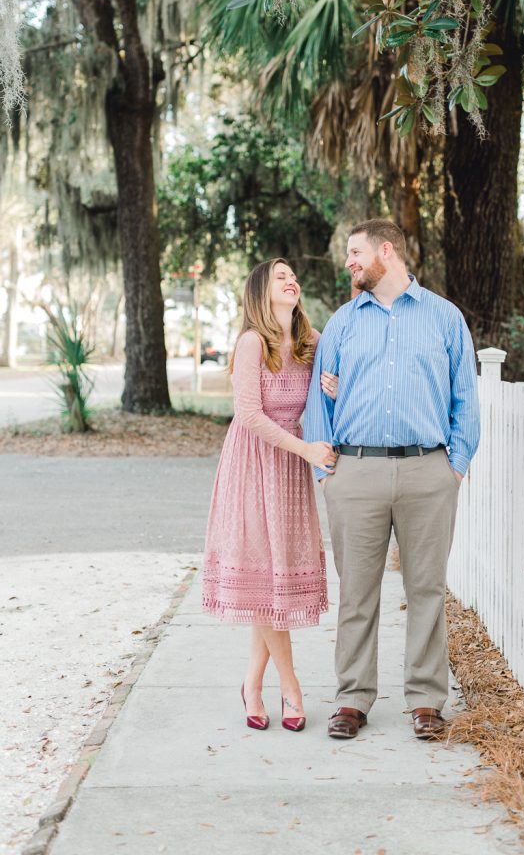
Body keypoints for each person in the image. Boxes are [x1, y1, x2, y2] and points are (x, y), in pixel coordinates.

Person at [303, 219, 480, 740]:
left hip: (429, 470)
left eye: (356, 253)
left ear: (387, 251)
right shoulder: (341, 323)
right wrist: (325, 474)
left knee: (426, 588)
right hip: (354, 471)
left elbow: (465, 399)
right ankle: (352, 699)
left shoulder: (445, 319)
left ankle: (426, 700)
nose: (349, 263)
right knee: (357, 592)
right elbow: (320, 400)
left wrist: (455, 467)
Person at [202, 258, 337, 733]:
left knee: (273, 581)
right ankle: (292, 686)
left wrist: (333, 386)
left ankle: (252, 684)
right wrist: (306, 449)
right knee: (266, 576)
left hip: (290, 473)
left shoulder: (311, 341)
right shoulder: (250, 343)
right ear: (261, 290)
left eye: (292, 275)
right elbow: (250, 415)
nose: (290, 280)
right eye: (280, 276)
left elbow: (334, 380)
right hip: (253, 465)